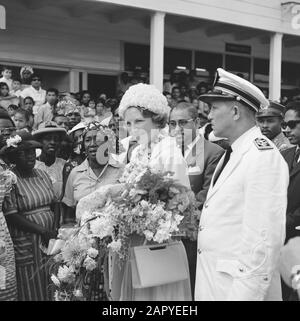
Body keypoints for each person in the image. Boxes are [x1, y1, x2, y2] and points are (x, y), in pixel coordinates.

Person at [194, 68, 289, 301]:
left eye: (215, 108)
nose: (209, 115)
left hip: (239, 291)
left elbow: (263, 242)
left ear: (235, 111)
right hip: (216, 284)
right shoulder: (234, 151)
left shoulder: (262, 156)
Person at [111, 83, 191, 301]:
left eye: (139, 121)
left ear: (157, 120)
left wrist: (145, 216)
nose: (132, 128)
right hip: (135, 240)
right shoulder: (137, 152)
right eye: (128, 123)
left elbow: (181, 204)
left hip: (161, 244)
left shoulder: (170, 151)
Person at [169, 102, 224, 299]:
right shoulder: (168, 150)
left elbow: (206, 193)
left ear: (197, 122)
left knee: (191, 283)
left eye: (183, 123)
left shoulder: (213, 151)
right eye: (172, 123)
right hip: (166, 229)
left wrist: (180, 213)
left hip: (193, 228)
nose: (177, 129)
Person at [1, 131, 57, 301]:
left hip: (49, 239)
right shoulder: (10, 179)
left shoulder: (42, 174)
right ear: (14, 157)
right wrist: (42, 230)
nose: (30, 156)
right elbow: (11, 215)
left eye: (32, 151)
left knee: (51, 281)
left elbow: (54, 204)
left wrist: (53, 229)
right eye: (24, 153)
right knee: (30, 285)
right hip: (26, 241)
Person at [33, 121, 67, 201]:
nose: (52, 142)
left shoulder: (64, 165)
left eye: (56, 139)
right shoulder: (33, 165)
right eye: (47, 139)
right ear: (39, 141)